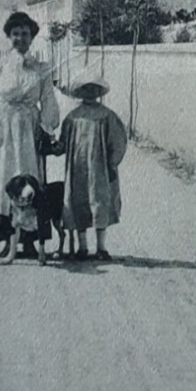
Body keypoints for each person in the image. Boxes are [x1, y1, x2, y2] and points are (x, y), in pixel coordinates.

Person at [0, 11, 60, 249]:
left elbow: (48, 100)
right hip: (3, 131)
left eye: (25, 34)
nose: (20, 38)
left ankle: (29, 242)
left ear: (32, 38)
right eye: (15, 34)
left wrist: (48, 130)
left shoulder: (41, 68)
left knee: (30, 179)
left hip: (30, 131)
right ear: (9, 37)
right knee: (3, 179)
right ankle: (7, 242)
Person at [60, 70, 127, 261]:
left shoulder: (107, 116)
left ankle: (101, 247)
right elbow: (63, 141)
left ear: (99, 91)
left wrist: (112, 164)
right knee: (78, 201)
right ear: (79, 92)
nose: (89, 92)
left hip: (99, 169)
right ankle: (82, 247)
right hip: (77, 167)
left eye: (93, 88)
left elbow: (118, 142)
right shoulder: (73, 117)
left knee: (99, 202)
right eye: (85, 88)